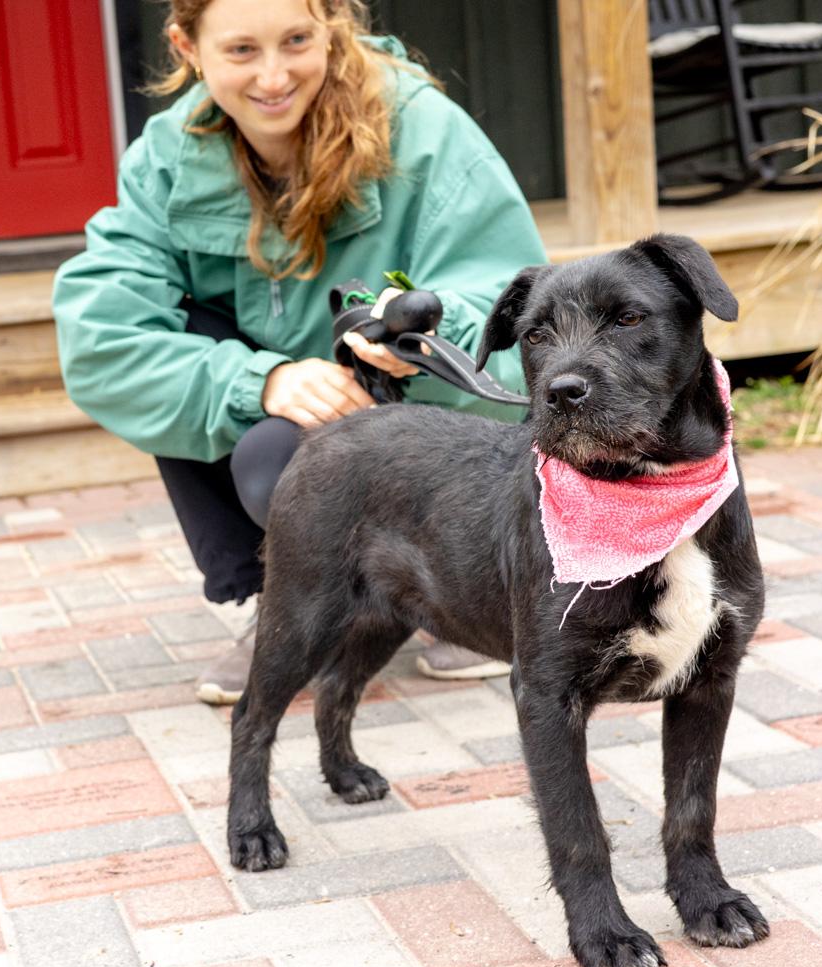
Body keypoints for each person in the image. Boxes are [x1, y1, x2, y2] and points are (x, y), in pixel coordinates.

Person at [53, 0, 546, 703]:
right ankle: (282, 604)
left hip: (414, 419)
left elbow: (510, 304)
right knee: (208, 372)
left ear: (332, 25)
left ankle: (449, 588)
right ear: (186, 47)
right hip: (281, 420)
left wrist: (421, 339)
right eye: (242, 51)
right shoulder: (166, 156)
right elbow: (103, 333)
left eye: (295, 41)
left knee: (287, 461)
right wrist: (261, 380)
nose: (275, 76)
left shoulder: (425, 129)